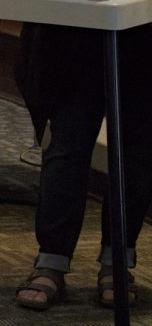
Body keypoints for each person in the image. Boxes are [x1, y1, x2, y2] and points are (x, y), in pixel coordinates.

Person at [13, 23, 152, 311]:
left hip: (144, 26)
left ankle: (117, 261)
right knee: (67, 146)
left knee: (137, 150)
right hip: (74, 26)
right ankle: (52, 260)